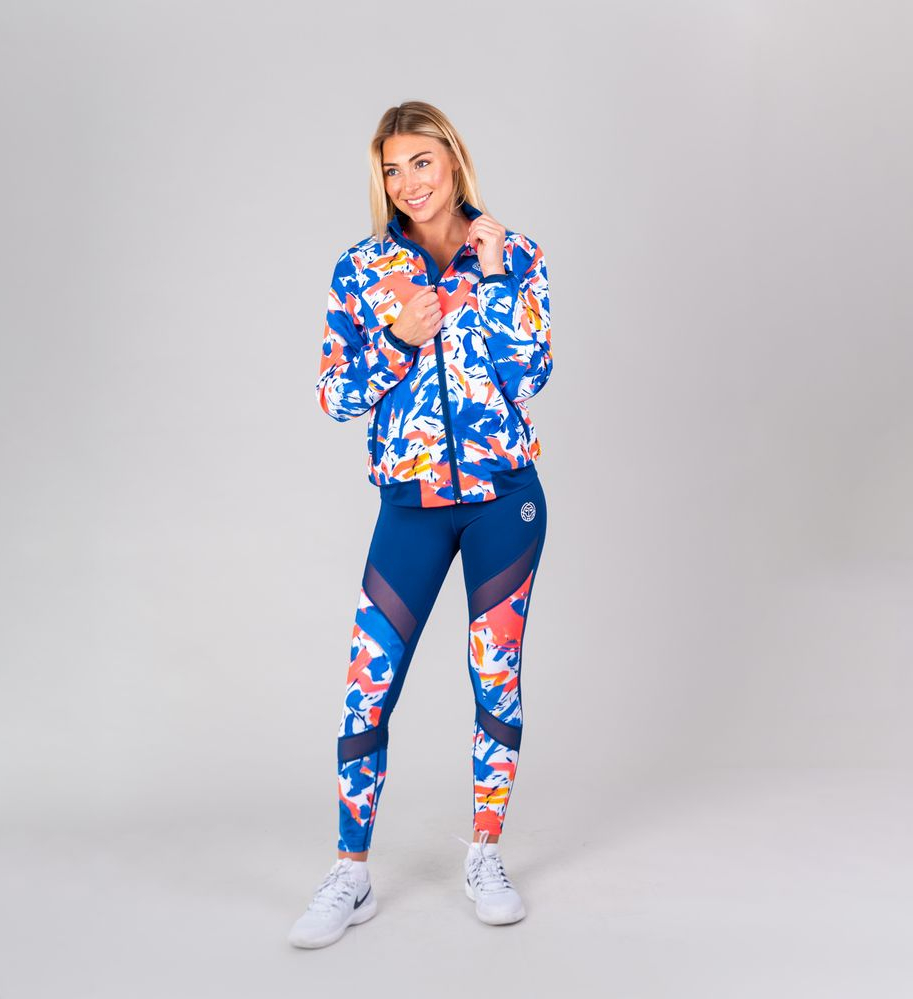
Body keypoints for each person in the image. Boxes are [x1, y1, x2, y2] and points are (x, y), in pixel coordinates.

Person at [288, 100, 553, 949]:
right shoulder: (362, 270)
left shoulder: (515, 254)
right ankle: (351, 873)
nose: (408, 183)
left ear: (453, 160)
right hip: (410, 509)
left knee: (495, 680)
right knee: (368, 685)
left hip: (504, 502)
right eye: (393, 170)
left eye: (421, 163)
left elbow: (532, 372)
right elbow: (335, 395)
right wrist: (398, 340)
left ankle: (486, 855)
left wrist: (499, 275)